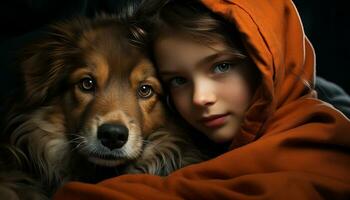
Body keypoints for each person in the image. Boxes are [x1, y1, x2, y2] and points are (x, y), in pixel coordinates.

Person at [53, 0, 350, 199]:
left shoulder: (321, 144)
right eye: (178, 81)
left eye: (222, 66)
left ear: (270, 61)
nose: (200, 98)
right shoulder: (202, 144)